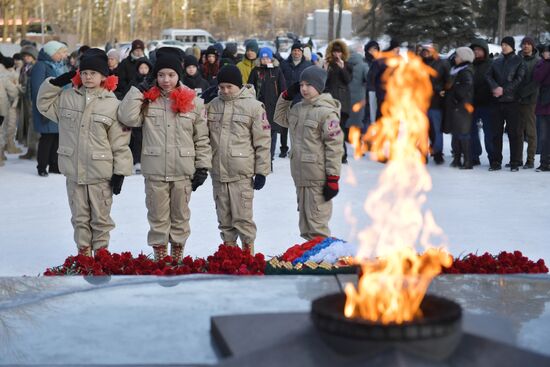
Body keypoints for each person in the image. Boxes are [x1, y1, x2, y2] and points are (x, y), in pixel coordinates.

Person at [118, 47, 212, 261]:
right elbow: (127, 118)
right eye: (161, 75)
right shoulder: (147, 100)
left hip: (182, 169)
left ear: (179, 75)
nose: (166, 80)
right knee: (157, 215)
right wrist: (138, 90)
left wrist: (202, 166)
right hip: (156, 169)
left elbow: (202, 138)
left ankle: (178, 251)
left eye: (171, 75)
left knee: (180, 215)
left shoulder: (193, 102)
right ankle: (160, 253)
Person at [36, 48, 132, 256]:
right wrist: (55, 84)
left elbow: (120, 142)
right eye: (85, 73)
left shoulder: (112, 104)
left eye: (94, 73)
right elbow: (43, 105)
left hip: (101, 173)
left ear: (104, 76)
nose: (88, 77)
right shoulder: (68, 97)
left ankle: (101, 255)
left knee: (101, 218)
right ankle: (84, 254)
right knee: (79, 217)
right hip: (74, 171)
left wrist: (120, 171)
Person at [206, 65, 271, 254]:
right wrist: (203, 100)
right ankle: (230, 256)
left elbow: (263, 141)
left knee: (243, 219)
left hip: (241, 174)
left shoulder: (253, 107)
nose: (225, 91)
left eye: (229, 87)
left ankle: (248, 255)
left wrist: (261, 171)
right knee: (224, 220)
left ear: (239, 86)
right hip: (218, 173)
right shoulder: (213, 105)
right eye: (221, 87)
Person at [274, 66, 344, 239]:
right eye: (301, 85)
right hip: (301, 178)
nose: (304, 89)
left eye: (309, 85)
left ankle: (324, 262)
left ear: (319, 86)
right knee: (306, 227)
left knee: (317, 227)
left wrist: (333, 178)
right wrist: (285, 98)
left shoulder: (327, 113)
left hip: (318, 179)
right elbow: (279, 119)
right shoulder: (298, 109)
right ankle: (311, 263)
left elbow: (334, 147)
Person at [486, 36, 526, 171]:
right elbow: (488, 75)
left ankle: (515, 161)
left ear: (512, 46)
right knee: (496, 133)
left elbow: (519, 79)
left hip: (512, 102)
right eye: (502, 44)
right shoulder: (496, 61)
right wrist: (495, 87)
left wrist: (503, 90)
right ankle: (496, 161)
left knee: (514, 133)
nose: (503, 47)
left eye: (506, 45)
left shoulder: (519, 61)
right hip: (497, 102)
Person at [31, 40, 69, 176]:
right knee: (47, 137)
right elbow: (36, 88)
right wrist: (42, 108)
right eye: (60, 53)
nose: (63, 56)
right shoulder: (41, 66)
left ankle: (54, 164)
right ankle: (42, 166)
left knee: (58, 137)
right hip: (46, 107)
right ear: (51, 53)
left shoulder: (62, 66)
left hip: (61, 106)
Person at [247, 47, 286, 163]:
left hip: (273, 107)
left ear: (271, 58)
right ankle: (260, 158)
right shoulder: (255, 71)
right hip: (258, 107)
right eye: (263, 58)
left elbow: (282, 88)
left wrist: (282, 104)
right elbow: (250, 87)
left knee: (272, 133)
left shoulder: (277, 71)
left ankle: (270, 159)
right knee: (259, 133)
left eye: (267, 57)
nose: (265, 60)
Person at [280, 41, 313, 157]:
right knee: (284, 125)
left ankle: (296, 148)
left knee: (299, 127)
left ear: (302, 53)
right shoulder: (284, 64)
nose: (296, 53)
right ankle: (283, 148)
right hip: (287, 98)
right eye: (294, 50)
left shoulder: (308, 65)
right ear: (291, 52)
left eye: (299, 51)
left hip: (301, 100)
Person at [445, 47, 475, 169]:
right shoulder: (457, 70)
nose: (455, 58)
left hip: (463, 106)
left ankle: (467, 161)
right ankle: (457, 158)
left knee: (463, 133)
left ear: (463, 58)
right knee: (456, 132)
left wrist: (456, 96)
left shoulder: (465, 71)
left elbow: (466, 85)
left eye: (457, 56)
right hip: (457, 106)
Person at [420, 44, 450, 164]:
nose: (425, 53)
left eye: (428, 50)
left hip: (436, 102)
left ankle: (437, 152)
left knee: (436, 130)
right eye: (424, 51)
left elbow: (449, 80)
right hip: (421, 102)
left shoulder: (442, 63)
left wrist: (442, 90)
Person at [324, 40, 352, 164]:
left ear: (343, 52)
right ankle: (332, 154)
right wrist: (324, 70)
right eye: (335, 51)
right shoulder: (328, 64)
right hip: (330, 99)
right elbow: (324, 82)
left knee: (340, 129)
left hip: (343, 101)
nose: (337, 54)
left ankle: (343, 154)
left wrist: (342, 68)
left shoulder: (347, 65)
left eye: (339, 52)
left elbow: (348, 80)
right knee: (330, 128)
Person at [517, 37, 541, 169]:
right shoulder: (517, 59)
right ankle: (517, 158)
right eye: (524, 44)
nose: (526, 46)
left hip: (531, 100)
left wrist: (522, 94)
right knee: (517, 131)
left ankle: (530, 159)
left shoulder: (538, 62)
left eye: (528, 44)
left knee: (531, 132)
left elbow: (536, 83)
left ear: (532, 46)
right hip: (516, 101)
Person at [470, 38, 493, 166]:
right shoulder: (469, 64)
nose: (476, 52)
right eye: (474, 50)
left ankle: (492, 157)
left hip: (487, 103)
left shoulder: (491, 64)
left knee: (489, 132)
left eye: (479, 50)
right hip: (472, 103)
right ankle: (474, 155)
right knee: (472, 131)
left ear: (485, 50)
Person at [18, 45, 39, 160]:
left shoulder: (36, 67)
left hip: (33, 100)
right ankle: (30, 149)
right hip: (26, 100)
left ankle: (34, 150)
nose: (26, 58)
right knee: (29, 126)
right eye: (24, 56)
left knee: (34, 126)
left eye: (28, 56)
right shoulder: (25, 67)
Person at [534, 44, 550, 171]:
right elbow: (537, 77)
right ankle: (544, 163)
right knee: (544, 137)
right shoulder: (541, 64)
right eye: (545, 52)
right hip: (543, 104)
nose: (546, 54)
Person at [364, 40, 380, 128]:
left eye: (376, 49)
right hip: (366, 93)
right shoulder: (364, 62)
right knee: (368, 116)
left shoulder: (380, 62)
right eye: (372, 50)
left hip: (377, 93)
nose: (374, 52)